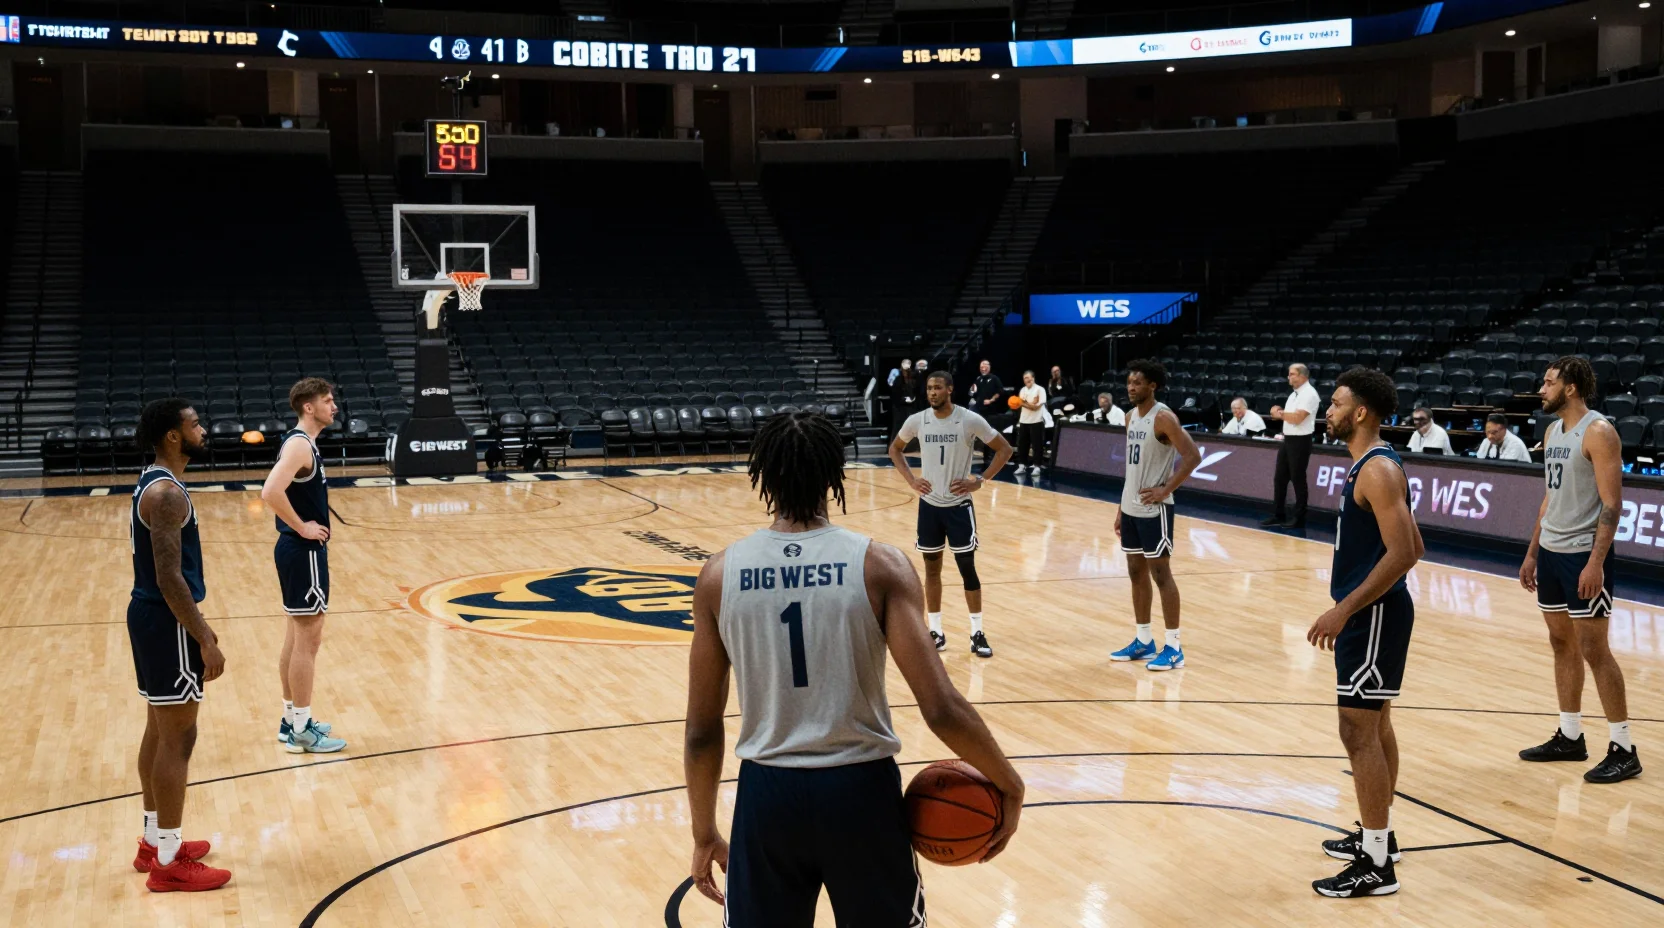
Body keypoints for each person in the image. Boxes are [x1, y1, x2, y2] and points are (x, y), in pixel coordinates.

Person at [684, 413, 1025, 925]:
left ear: (765, 478)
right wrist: (1010, 784)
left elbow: (701, 732)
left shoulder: (718, 575)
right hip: (860, 794)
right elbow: (941, 708)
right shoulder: (878, 565)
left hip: (767, 796)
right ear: (833, 475)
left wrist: (703, 832)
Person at [1305, 367, 1423, 898]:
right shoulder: (1371, 467)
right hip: (1373, 613)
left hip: (1372, 615)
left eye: (1334, 404)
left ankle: (1377, 865)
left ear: (1360, 413)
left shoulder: (1376, 470)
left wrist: (1344, 609)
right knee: (1375, 727)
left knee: (1357, 732)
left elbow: (1408, 552)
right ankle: (1381, 839)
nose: (1326, 411)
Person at [1517, 356, 1641, 783]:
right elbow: (1550, 497)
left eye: (1548, 383)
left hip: (1583, 557)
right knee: (1560, 642)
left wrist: (1595, 563)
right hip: (1551, 552)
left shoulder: (1600, 431)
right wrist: (1532, 551)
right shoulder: (1553, 431)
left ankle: (1624, 747)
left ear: (1570, 388)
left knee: (1595, 650)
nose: (1541, 390)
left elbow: (1612, 504)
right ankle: (1570, 736)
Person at [128, 398, 232, 892]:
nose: (203, 429)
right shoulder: (167, 494)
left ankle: (153, 842)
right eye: (194, 424)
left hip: (149, 617)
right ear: (173, 435)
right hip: (167, 621)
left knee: (157, 727)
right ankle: (168, 861)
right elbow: (171, 578)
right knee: (178, 738)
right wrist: (205, 637)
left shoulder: (154, 480)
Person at [889, 371, 1014, 657]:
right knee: (932, 570)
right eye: (929, 388)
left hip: (959, 507)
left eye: (937, 388)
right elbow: (895, 449)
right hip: (930, 506)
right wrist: (911, 480)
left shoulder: (969, 419)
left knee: (967, 569)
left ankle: (977, 632)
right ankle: (935, 631)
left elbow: (1004, 450)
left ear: (950, 390)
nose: (932, 393)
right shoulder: (917, 420)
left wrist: (979, 480)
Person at [261, 378, 348, 755]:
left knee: (294, 639)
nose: (335, 407)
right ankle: (301, 730)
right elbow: (269, 492)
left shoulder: (301, 443)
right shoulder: (299, 446)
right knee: (307, 644)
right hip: (302, 550)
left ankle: (290, 720)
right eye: (328, 401)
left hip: (294, 551)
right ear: (309, 407)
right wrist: (303, 526)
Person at [1108, 360, 1201, 672]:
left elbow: (1192, 456)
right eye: (1129, 382)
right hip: (1131, 506)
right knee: (1136, 572)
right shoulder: (1129, 416)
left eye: (1137, 383)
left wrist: (1165, 489)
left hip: (1155, 509)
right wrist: (1121, 507)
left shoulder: (1164, 417)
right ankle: (1143, 640)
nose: (1131, 387)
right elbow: (1131, 469)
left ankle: (1174, 646)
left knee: (1161, 575)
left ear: (1153, 386)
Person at [1263, 363, 1321, 529]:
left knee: (1298, 479)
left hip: (1301, 441)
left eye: (1292, 374)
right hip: (1288, 439)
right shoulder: (1294, 395)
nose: (1289, 377)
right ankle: (1278, 514)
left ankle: (1299, 517)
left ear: (1303, 376)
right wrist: (1280, 411)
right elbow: (1289, 416)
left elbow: (1297, 418)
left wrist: (1279, 413)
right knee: (1280, 478)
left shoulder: (1310, 394)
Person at [1014, 370, 1048, 476]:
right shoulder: (1022, 390)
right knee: (1022, 445)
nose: (1027, 380)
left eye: (1029, 377)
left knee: (1037, 445)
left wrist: (1023, 403)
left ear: (1033, 378)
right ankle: (1022, 466)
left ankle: (1037, 466)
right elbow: (1027, 405)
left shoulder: (1040, 390)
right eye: (1025, 378)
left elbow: (1036, 407)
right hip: (1024, 421)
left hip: (1036, 421)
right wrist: (1029, 403)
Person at [887, 360, 919, 443]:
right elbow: (895, 393)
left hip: (909, 405)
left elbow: (914, 390)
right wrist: (903, 399)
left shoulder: (912, 378)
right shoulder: (898, 378)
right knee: (898, 426)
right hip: (899, 406)